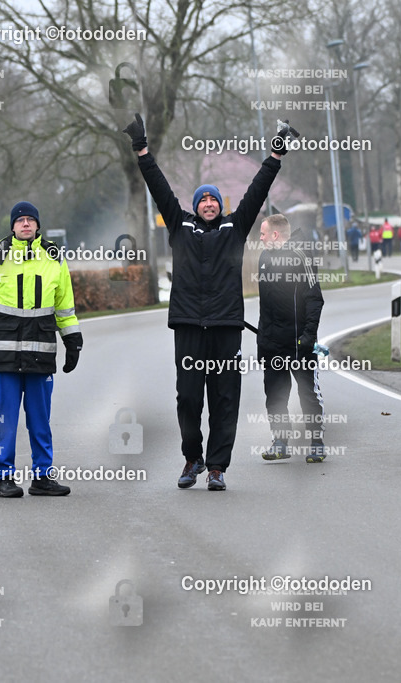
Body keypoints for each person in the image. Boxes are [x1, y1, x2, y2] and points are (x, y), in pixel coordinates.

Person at [122, 112, 286, 491]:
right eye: (203, 199)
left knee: (225, 399)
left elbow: (257, 191)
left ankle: (217, 467)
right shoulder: (180, 227)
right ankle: (192, 458)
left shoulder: (235, 227)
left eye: (213, 199)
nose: (209, 203)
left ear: (220, 205)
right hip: (189, 327)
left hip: (227, 328)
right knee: (189, 399)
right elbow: (158, 187)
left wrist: (275, 155)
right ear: (195, 206)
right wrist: (141, 149)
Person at [0, 201, 82, 498]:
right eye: (20, 220)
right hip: (4, 355)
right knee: (5, 421)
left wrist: (73, 340)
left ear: (37, 225)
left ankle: (42, 478)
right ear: (12, 226)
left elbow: (65, 306)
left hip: (41, 353)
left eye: (30, 220)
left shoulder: (55, 258)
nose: (25, 224)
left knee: (40, 421)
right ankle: (3, 479)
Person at [256, 215, 326, 462]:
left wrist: (309, 335)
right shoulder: (264, 258)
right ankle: (280, 442)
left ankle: (316, 443)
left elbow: (314, 298)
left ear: (275, 235)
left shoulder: (300, 257)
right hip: (270, 343)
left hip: (299, 344)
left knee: (307, 393)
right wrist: (262, 337)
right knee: (275, 395)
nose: (260, 238)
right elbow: (265, 304)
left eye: (263, 234)